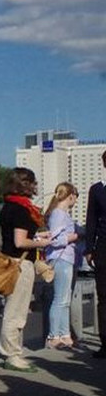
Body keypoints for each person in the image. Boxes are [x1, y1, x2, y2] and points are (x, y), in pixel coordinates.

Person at [0, 167, 51, 372]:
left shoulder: (9, 206)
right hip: (20, 264)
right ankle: (11, 354)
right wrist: (41, 243)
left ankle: (13, 351)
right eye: (33, 182)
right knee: (16, 312)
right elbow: (20, 242)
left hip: (9, 262)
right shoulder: (22, 210)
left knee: (13, 309)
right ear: (25, 184)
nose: (35, 186)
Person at [42, 182, 79, 350]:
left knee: (64, 299)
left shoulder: (60, 214)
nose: (75, 202)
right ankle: (53, 336)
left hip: (65, 258)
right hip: (61, 258)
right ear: (70, 196)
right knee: (60, 299)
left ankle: (64, 334)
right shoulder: (59, 214)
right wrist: (70, 238)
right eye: (75, 198)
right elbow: (53, 239)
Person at [85, 150, 106, 359]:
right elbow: (91, 220)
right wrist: (89, 248)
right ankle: (105, 343)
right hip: (103, 248)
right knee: (104, 297)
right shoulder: (97, 190)